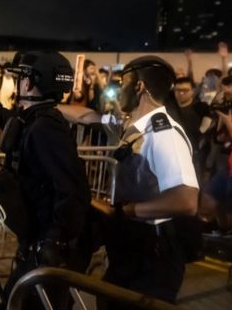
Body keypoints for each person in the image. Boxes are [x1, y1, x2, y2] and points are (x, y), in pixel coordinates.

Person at [0, 50, 91, 309]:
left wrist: (54, 240)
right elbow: (15, 126)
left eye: (20, 78)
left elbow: (73, 190)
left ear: (29, 82)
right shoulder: (34, 119)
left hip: (48, 246)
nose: (18, 84)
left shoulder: (46, 128)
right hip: (36, 241)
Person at [92, 55, 199, 308]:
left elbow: (186, 200)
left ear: (139, 86)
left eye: (122, 82)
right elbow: (88, 117)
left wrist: (126, 211)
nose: (118, 90)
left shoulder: (164, 133)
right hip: (133, 243)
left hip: (152, 253)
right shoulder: (136, 126)